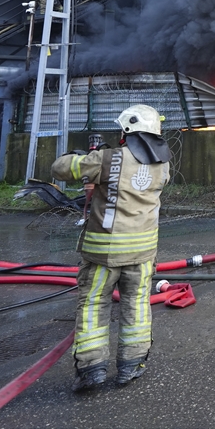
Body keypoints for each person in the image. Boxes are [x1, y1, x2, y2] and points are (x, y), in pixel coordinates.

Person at [52, 104, 172, 391]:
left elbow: (59, 168)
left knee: (94, 304)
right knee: (137, 304)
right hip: (142, 254)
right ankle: (131, 365)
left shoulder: (106, 159)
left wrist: (82, 156)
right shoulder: (163, 164)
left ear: (127, 129)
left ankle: (92, 368)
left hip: (104, 255)